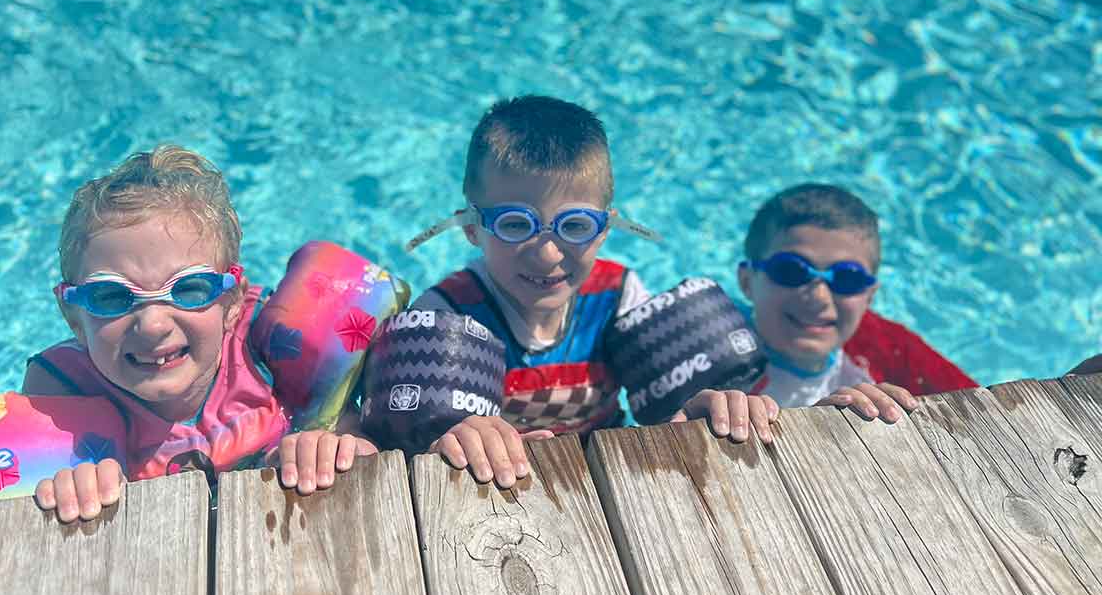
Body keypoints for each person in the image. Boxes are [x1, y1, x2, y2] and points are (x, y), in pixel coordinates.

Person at [405, 95, 777, 487]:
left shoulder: (619, 295)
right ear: (471, 228)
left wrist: (701, 405)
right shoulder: (445, 317)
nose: (547, 255)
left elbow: (671, 415)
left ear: (604, 229)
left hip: (609, 477)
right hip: (497, 489)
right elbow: (412, 449)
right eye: (515, 225)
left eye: (575, 226)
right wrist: (446, 440)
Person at [22, 146, 379, 521]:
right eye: (111, 296)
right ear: (73, 317)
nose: (153, 324)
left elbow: (367, 450)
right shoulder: (62, 390)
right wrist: (64, 483)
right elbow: (26, 502)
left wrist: (326, 448)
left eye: (189, 289)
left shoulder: (268, 347)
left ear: (232, 302)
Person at [723, 183, 976, 420]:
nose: (819, 297)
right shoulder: (710, 351)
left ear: (869, 296)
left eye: (847, 278)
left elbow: (976, 407)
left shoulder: (882, 342)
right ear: (747, 282)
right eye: (791, 271)